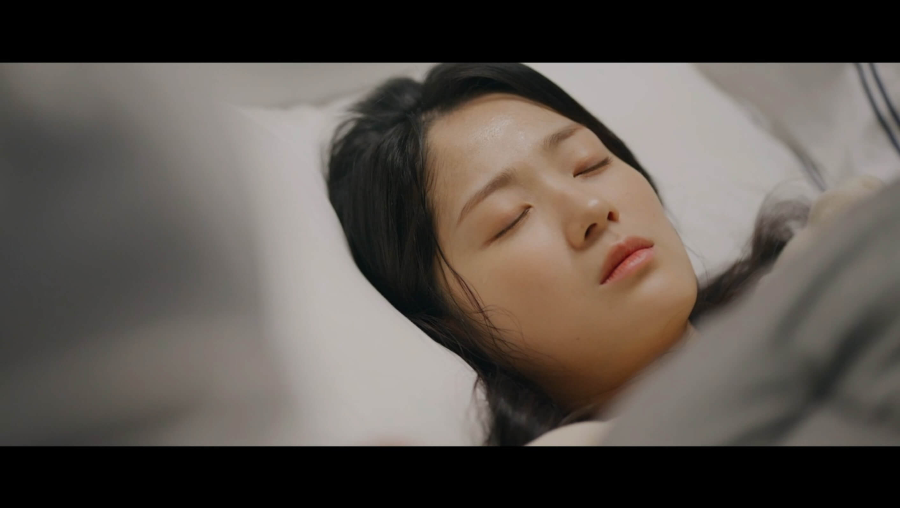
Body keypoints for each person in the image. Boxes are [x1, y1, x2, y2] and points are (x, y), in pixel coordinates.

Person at [327, 63, 869, 446]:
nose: (591, 208)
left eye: (589, 163)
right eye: (511, 218)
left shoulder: (827, 258)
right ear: (449, 324)